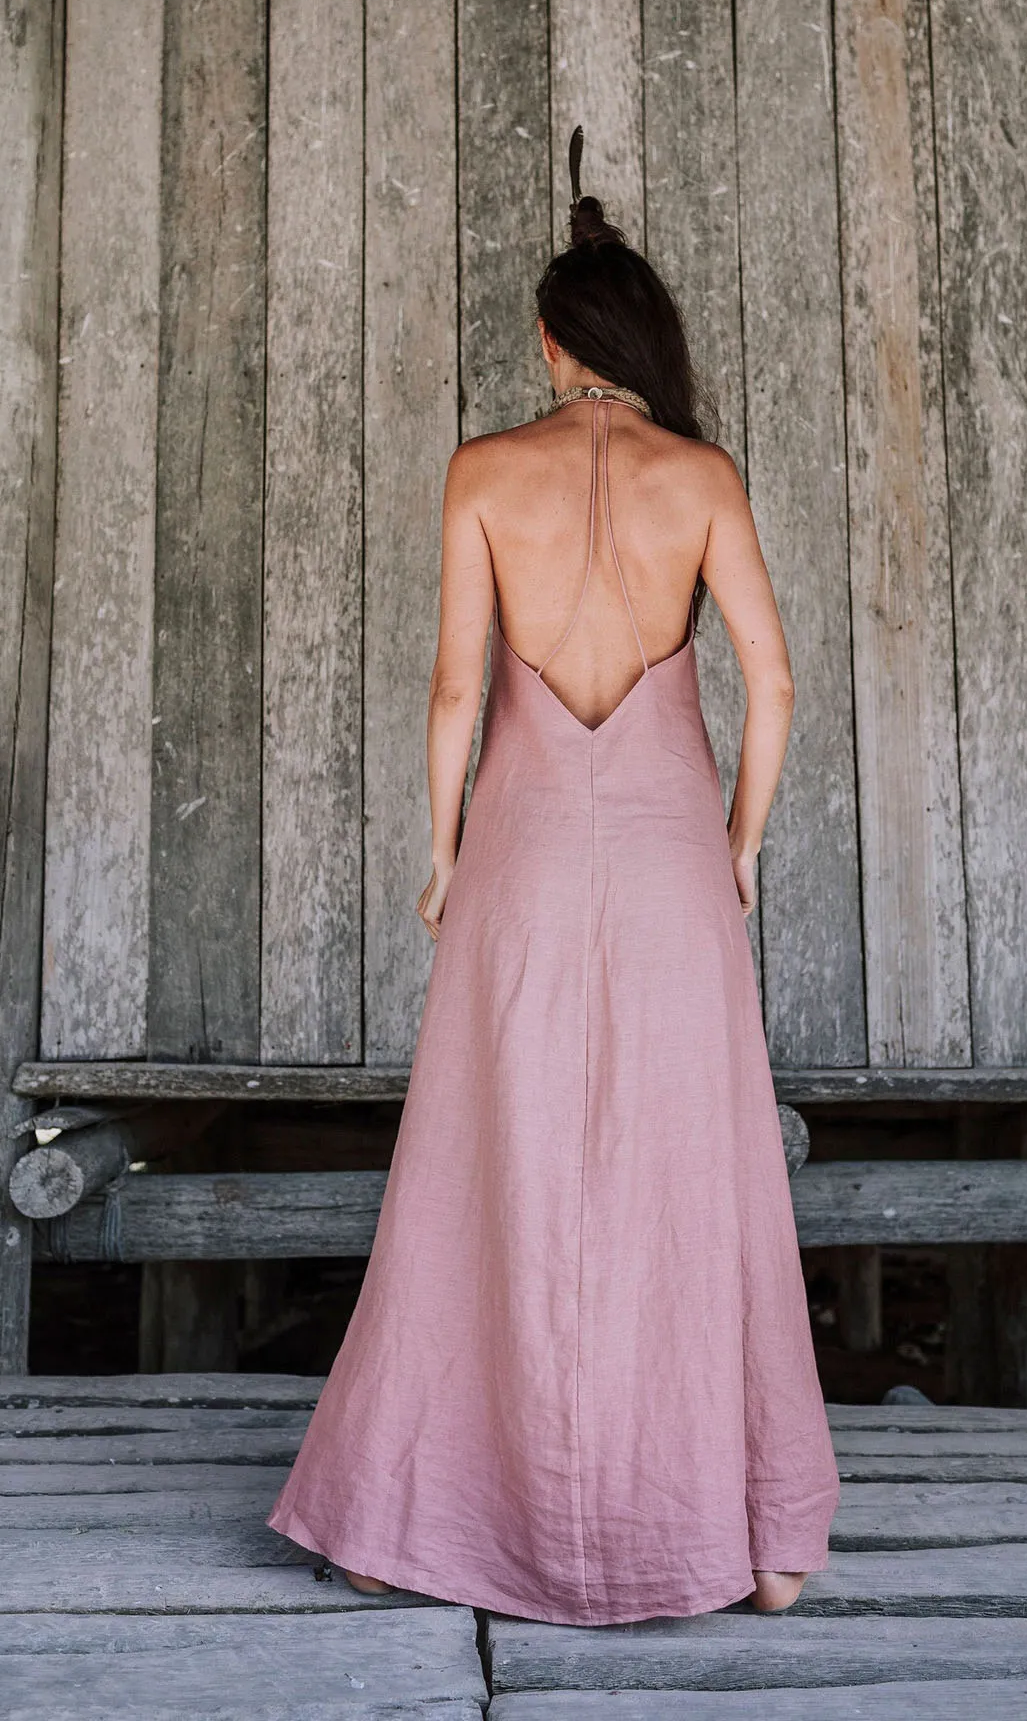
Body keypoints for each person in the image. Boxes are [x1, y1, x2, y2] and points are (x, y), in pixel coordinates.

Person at [267, 131, 840, 1625]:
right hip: (669, 870)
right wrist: (740, 847)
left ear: (547, 337)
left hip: (521, 854)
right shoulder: (701, 475)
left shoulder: (484, 469)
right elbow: (772, 686)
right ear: (642, 343)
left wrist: (441, 854)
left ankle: (437, 1520)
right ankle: (757, 1540)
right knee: (690, 1173)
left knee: (488, 1171)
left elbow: (455, 692)